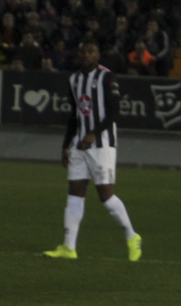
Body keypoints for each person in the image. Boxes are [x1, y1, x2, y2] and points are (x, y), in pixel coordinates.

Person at [44, 38, 142, 262]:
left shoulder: (107, 77)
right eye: (83, 52)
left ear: (97, 56)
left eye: (91, 51)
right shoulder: (74, 80)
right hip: (79, 145)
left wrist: (94, 134)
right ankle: (69, 247)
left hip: (102, 145)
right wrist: (65, 145)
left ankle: (132, 235)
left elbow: (114, 112)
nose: (86, 55)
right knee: (74, 194)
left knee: (106, 197)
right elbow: (73, 116)